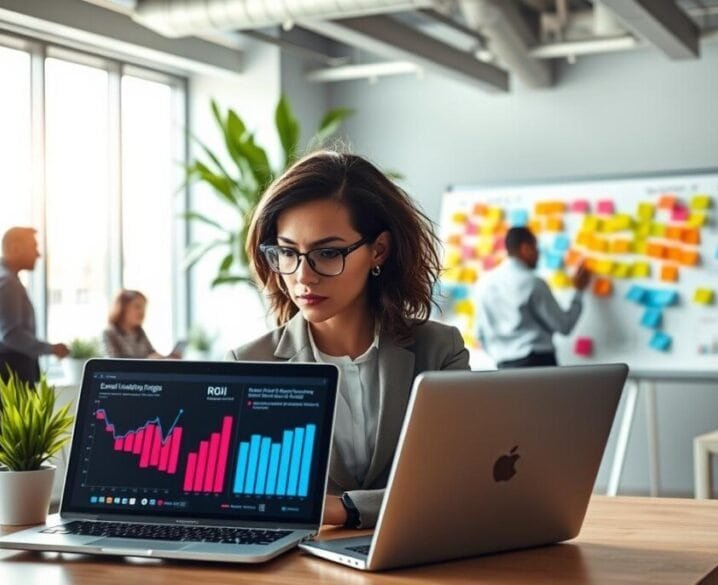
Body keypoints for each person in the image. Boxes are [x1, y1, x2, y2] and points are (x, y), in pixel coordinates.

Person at [227, 151, 469, 529]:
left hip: (424, 554)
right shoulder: (249, 365)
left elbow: (458, 483)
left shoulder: (439, 351)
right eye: (288, 253)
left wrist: (346, 510)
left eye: (327, 253)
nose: (303, 277)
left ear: (379, 251)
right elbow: (255, 501)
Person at [0, 227, 70, 452]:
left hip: (0, 368)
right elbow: (9, 334)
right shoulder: (4, 282)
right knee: (11, 446)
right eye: (33, 247)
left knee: (8, 441)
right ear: (15, 248)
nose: (38, 254)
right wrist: (50, 348)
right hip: (7, 370)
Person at [473, 226, 590, 368]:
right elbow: (564, 326)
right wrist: (579, 291)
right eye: (536, 248)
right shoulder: (532, 282)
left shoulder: (483, 284)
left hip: (503, 367)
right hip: (538, 363)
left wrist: (502, 353)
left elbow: (480, 334)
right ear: (525, 248)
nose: (538, 254)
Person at [102, 290, 179, 359]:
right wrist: (147, 360)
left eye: (143, 308)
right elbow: (114, 364)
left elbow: (151, 353)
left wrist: (166, 358)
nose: (142, 312)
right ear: (123, 308)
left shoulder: (139, 331)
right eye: (137, 307)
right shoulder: (109, 333)